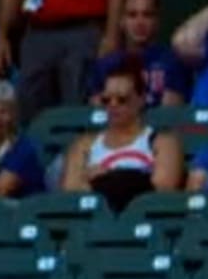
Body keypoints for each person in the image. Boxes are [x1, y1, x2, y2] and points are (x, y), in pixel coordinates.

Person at [59, 63, 182, 202]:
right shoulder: (84, 144)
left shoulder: (162, 142)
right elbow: (70, 193)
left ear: (141, 99)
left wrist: (105, 180)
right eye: (106, 100)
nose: (113, 105)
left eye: (122, 99)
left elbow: (162, 190)